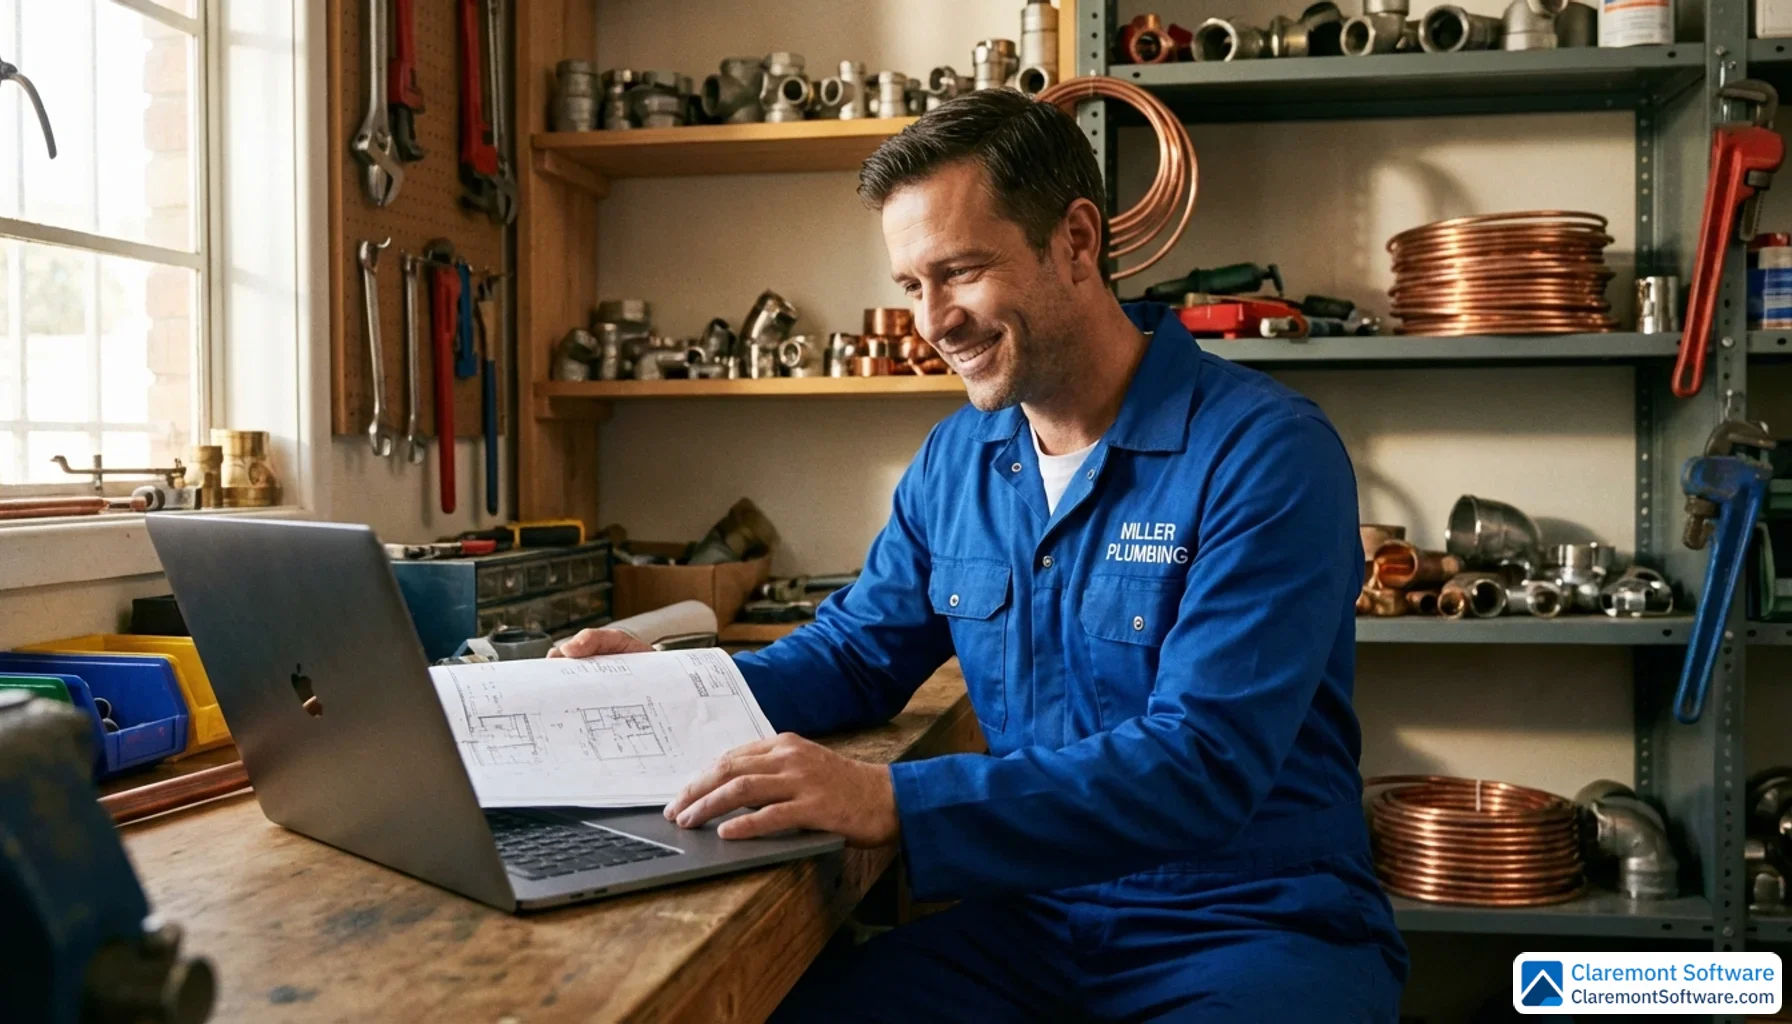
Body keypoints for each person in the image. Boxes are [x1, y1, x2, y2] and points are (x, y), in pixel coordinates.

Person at [556, 89, 1407, 1022]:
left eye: (958, 272)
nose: (932, 321)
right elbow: (851, 653)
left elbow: (1202, 762)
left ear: (1076, 242)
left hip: (1249, 928)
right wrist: (669, 690)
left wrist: (896, 803)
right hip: (1035, 925)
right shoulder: (959, 459)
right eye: (911, 286)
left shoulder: (1264, 452)